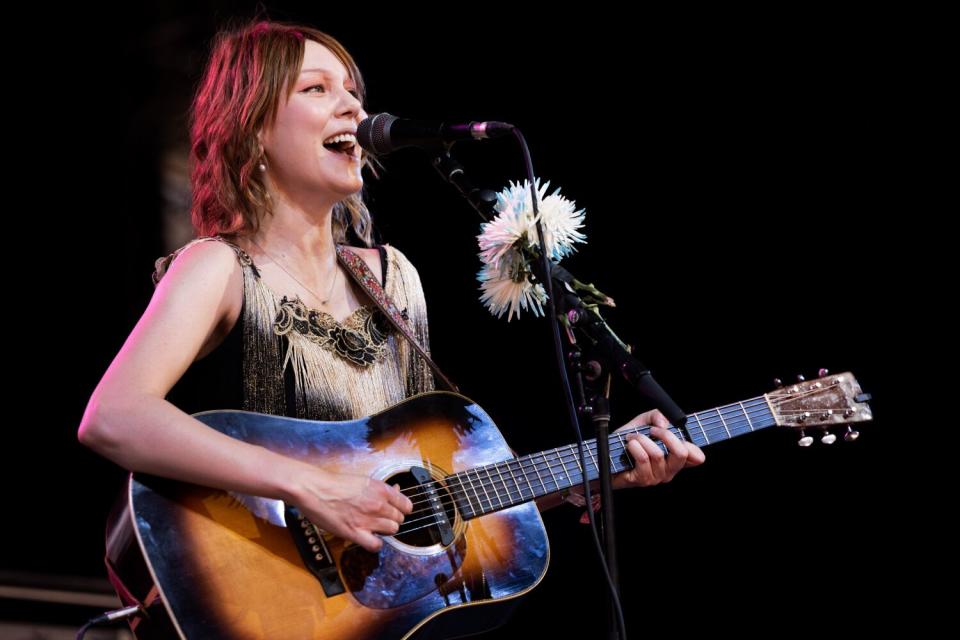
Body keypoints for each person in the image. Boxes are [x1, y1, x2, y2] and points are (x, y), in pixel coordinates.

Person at [78, 18, 703, 567]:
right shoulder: (219, 267)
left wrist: (585, 472)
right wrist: (308, 486)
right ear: (253, 129)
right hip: (256, 585)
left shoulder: (393, 277)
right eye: (316, 89)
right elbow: (115, 417)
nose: (351, 106)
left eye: (352, 90)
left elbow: (425, 495)